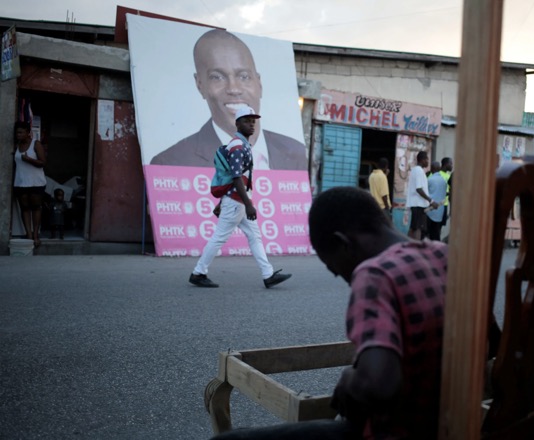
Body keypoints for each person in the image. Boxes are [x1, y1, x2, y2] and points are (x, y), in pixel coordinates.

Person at [211, 186, 448, 439]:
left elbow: (378, 385)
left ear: (342, 243)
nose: (342, 277)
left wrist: (349, 378)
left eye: (333, 267)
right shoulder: (444, 255)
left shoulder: (374, 276)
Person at [150, 29, 307, 170]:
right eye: (217, 77)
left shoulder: (296, 153)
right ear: (200, 85)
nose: (234, 89)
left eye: (244, 76)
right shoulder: (170, 163)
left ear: (259, 83)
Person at [189, 107, 292, 289]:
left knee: (254, 236)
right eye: (246, 120)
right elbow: (236, 177)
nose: (251, 124)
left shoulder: (242, 144)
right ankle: (198, 273)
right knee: (220, 237)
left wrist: (224, 202)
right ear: (237, 123)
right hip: (238, 202)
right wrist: (248, 204)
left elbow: (232, 178)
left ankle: (268, 275)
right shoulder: (237, 146)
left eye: (253, 121)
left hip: (237, 201)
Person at [13, 121, 47, 248]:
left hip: (36, 182)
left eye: (21, 132)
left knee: (36, 207)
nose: (18, 135)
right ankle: (28, 234)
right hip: (21, 182)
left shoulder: (36, 144)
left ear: (28, 133)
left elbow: (43, 162)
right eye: (17, 132)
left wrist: (29, 160)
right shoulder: (16, 145)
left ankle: (36, 235)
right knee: (25, 208)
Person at [405, 151, 438, 240]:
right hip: (418, 205)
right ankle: (415, 248)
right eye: (427, 159)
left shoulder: (416, 170)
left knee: (413, 228)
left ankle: (406, 245)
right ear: (423, 160)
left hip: (417, 204)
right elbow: (419, 189)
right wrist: (431, 201)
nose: (428, 162)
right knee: (418, 228)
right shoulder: (419, 171)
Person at [426, 161, 448, 241]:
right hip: (440, 211)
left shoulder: (430, 179)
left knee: (427, 234)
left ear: (432, 168)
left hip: (429, 211)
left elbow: (425, 194)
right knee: (436, 234)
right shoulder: (443, 181)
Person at [438, 157, 453, 232]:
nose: (452, 166)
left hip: (445, 204)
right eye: (451, 163)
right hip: (438, 204)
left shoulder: (449, 176)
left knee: (440, 227)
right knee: (437, 227)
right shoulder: (438, 175)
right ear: (446, 164)